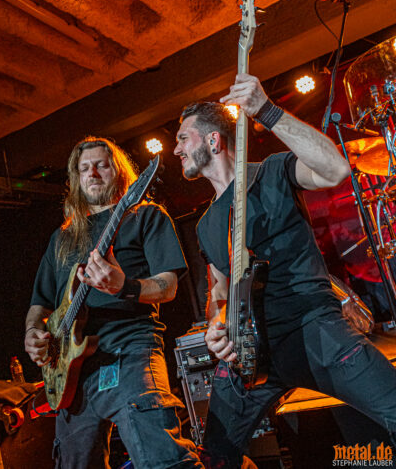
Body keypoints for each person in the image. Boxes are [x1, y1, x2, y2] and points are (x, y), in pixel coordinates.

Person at [174, 73, 396, 467]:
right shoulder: (206, 225)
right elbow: (219, 293)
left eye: (183, 138)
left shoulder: (272, 171)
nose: (176, 149)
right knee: (215, 457)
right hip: (251, 354)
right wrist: (216, 326)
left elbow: (335, 170)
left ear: (213, 141)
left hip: (315, 329)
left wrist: (266, 110)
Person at [24, 137, 203, 469]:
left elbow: (168, 286)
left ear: (118, 172)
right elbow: (40, 305)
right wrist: (32, 333)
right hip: (70, 372)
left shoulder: (145, 215)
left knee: (162, 458)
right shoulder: (62, 238)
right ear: (76, 179)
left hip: (130, 350)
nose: (92, 173)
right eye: (84, 168)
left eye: (101, 165)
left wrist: (125, 286)